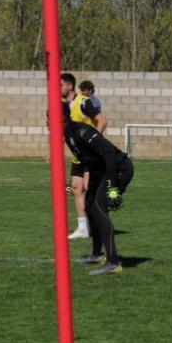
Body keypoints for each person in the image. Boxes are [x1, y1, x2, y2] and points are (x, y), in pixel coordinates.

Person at [62, 100, 134, 275]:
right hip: (99, 171)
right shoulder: (68, 133)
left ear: (61, 117)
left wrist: (113, 186)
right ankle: (96, 255)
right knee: (88, 205)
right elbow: (89, 158)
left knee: (99, 207)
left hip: (118, 168)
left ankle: (113, 262)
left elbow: (108, 153)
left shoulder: (79, 130)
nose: (47, 122)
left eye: (50, 117)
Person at [60, 73, 105, 241]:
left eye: (60, 85)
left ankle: (99, 225)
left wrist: (93, 142)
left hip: (91, 156)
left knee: (90, 191)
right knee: (76, 189)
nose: (58, 89)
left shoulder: (83, 103)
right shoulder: (65, 107)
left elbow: (102, 121)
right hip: (79, 155)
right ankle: (82, 228)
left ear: (70, 86)